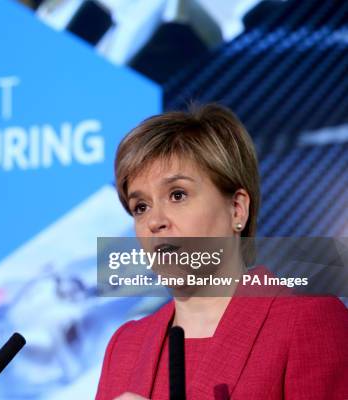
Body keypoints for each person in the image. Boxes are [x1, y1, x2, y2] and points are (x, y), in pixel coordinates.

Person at [95, 104, 348, 400]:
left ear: (237, 209)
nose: (154, 221)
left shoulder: (309, 321)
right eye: (141, 207)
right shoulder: (126, 346)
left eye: (178, 195)